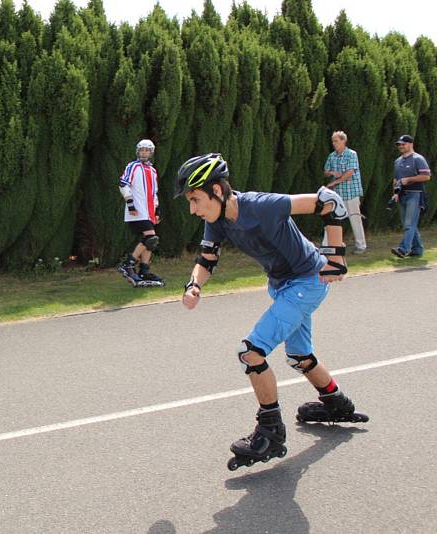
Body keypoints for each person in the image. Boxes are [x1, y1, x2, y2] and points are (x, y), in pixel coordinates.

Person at [175, 153, 368, 471]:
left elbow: (329, 200)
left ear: (218, 192)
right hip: (283, 286)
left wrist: (336, 257)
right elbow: (206, 259)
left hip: (307, 282)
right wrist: (193, 285)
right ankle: (337, 403)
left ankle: (270, 432)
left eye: (195, 199)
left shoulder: (261, 205)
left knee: (250, 352)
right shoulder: (218, 221)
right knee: (299, 357)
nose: (193, 209)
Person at [116, 139, 164, 287]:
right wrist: (130, 203)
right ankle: (127, 264)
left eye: (147, 150)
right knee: (150, 237)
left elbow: (153, 192)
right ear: (138, 152)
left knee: (151, 241)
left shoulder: (153, 171)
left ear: (151, 153)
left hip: (148, 211)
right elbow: (123, 184)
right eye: (142, 150)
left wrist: (156, 210)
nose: (144, 153)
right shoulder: (133, 166)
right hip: (136, 210)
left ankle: (144, 270)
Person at [324, 131, 366, 254]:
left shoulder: (351, 154)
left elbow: (349, 173)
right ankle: (330, 245)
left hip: (351, 193)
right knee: (333, 219)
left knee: (355, 219)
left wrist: (334, 182)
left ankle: (361, 246)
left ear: (343, 141)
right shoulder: (332, 156)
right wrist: (332, 173)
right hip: (337, 195)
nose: (334, 143)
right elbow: (325, 171)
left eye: (336, 141)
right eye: (333, 141)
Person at [390, 134, 431, 258]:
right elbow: (396, 180)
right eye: (399, 144)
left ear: (411, 144)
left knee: (409, 223)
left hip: (415, 194)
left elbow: (427, 176)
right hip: (401, 195)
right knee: (408, 224)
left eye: (404, 144)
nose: (401, 146)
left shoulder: (418, 159)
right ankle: (417, 250)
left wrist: (408, 179)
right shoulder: (397, 161)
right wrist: (395, 194)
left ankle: (403, 249)